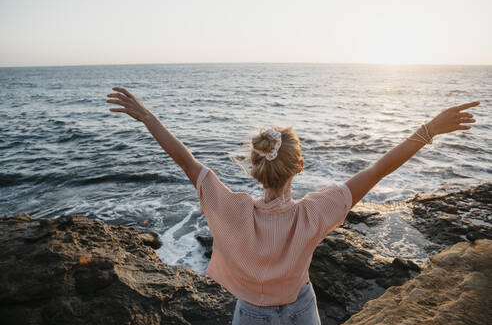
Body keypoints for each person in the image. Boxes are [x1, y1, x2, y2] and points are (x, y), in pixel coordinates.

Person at [106, 87, 478, 324]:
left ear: (254, 168)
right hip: (303, 310)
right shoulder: (316, 211)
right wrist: (428, 129)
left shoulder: (231, 210)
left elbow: (186, 160)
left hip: (251, 315)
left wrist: (147, 116)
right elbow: (378, 168)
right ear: (299, 167)